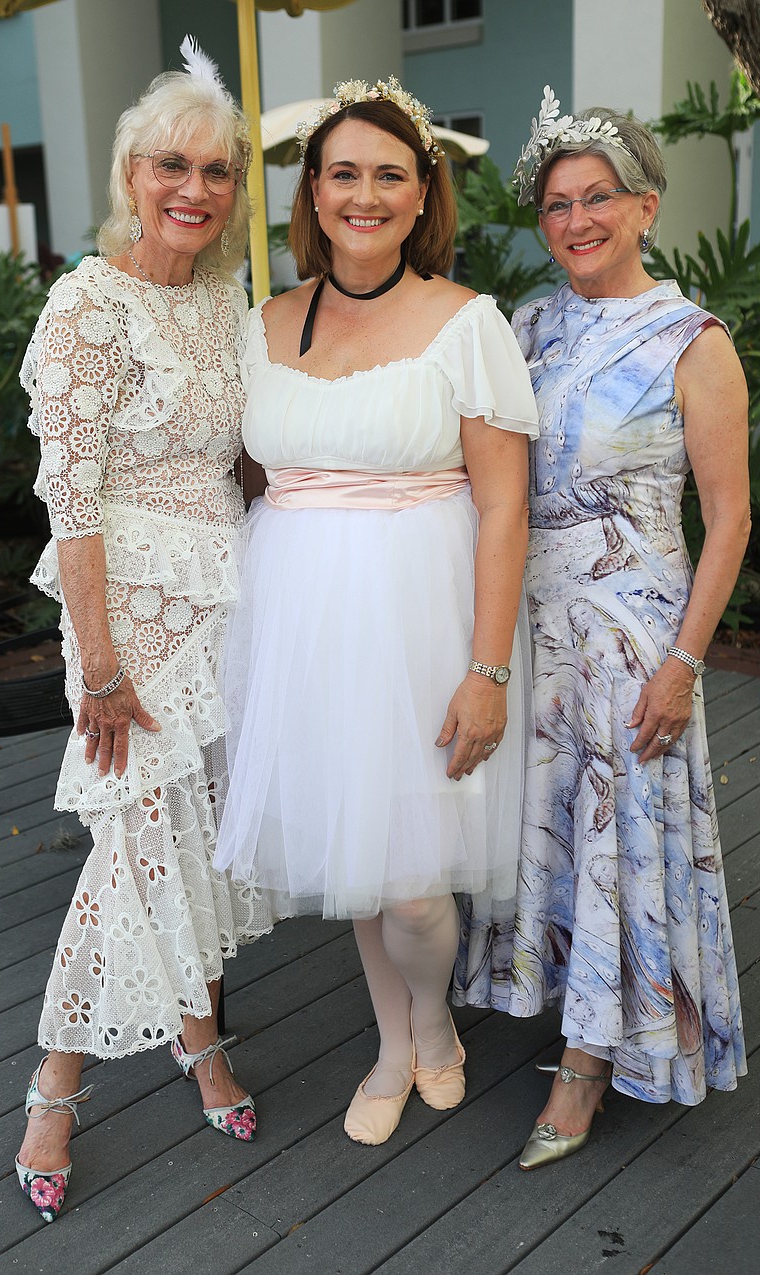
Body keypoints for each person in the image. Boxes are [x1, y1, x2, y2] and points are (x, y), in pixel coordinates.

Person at [214, 78, 538, 1147]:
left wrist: (485, 672)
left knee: (411, 888)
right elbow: (251, 482)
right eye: (343, 173)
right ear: (313, 190)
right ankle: (395, 1045)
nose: (364, 195)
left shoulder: (467, 323)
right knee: (358, 850)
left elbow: (502, 507)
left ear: (419, 193)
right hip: (304, 623)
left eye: (387, 175)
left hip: (423, 621)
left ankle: (434, 1018)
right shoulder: (262, 326)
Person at [455, 87, 750, 1169]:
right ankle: (560, 1000)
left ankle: (587, 1069)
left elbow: (729, 521)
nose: (574, 221)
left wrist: (681, 666)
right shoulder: (524, 325)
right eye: (556, 205)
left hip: (636, 636)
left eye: (598, 199)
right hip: (537, 627)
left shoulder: (691, 339)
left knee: (621, 834)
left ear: (645, 206)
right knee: (550, 823)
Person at [14, 38, 272, 1225]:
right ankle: (55, 1092)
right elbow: (69, 498)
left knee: (197, 834)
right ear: (132, 174)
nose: (195, 189)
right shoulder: (87, 305)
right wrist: (101, 665)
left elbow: (250, 461)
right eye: (172, 164)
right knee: (134, 845)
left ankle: (198, 1037)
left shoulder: (229, 302)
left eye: (217, 171)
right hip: (125, 612)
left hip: (229, 592)